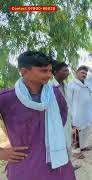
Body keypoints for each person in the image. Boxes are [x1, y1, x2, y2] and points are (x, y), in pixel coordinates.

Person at [0, 51, 75, 180]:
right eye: (43, 71)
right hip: (25, 168)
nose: (49, 75)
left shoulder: (55, 95)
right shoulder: (6, 98)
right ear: (24, 72)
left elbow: (62, 118)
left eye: (50, 71)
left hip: (58, 165)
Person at [52, 62, 81, 169]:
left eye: (67, 70)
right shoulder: (51, 87)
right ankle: (62, 167)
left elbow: (69, 105)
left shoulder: (66, 86)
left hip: (67, 120)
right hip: (57, 122)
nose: (67, 73)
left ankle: (68, 166)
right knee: (61, 145)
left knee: (68, 143)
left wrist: (72, 121)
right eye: (64, 70)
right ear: (55, 72)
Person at [67, 65, 92, 159]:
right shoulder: (71, 85)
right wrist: (70, 116)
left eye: (85, 73)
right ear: (76, 73)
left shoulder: (87, 82)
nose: (84, 75)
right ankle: (76, 152)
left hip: (87, 111)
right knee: (76, 132)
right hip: (77, 113)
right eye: (82, 73)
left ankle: (83, 146)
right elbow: (68, 101)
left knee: (86, 130)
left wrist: (88, 68)